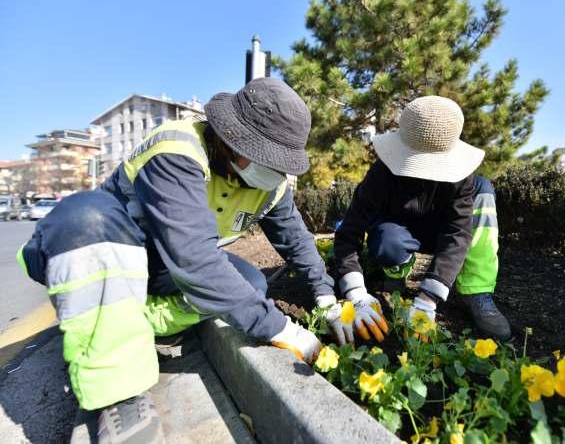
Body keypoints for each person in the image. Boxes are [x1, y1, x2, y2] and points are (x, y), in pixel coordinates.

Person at [16, 78, 339, 444]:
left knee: (250, 286)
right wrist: (282, 329)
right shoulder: (178, 150)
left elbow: (296, 239)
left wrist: (327, 298)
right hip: (100, 252)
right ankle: (118, 396)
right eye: (263, 155)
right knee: (84, 217)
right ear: (229, 139)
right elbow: (196, 261)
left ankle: (124, 322)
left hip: (161, 271)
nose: (271, 170)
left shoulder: (270, 185)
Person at [331, 95, 511, 345]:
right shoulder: (382, 173)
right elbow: (349, 232)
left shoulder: (462, 178)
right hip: (402, 230)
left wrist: (428, 299)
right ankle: (396, 272)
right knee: (386, 242)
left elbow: (458, 233)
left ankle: (476, 291)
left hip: (442, 229)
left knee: (484, 192)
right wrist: (356, 293)